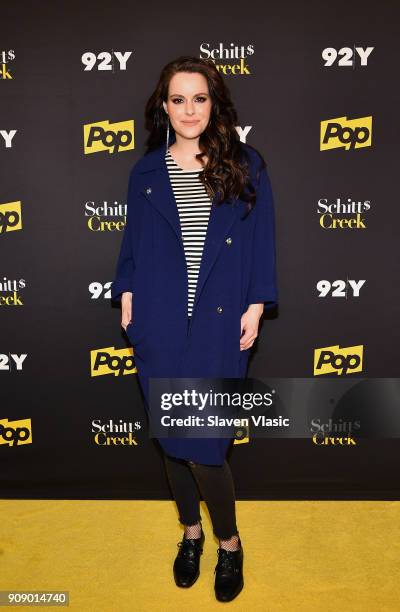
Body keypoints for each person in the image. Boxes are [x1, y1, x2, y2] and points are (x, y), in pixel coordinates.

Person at [111, 56, 278, 602]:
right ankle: (191, 532)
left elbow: (262, 243)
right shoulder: (145, 172)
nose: (189, 110)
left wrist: (256, 305)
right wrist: (128, 292)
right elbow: (133, 243)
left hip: (219, 323)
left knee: (205, 446)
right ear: (164, 107)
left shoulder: (246, 163)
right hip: (159, 324)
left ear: (215, 103)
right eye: (178, 99)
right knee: (171, 442)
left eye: (199, 98)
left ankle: (228, 542)